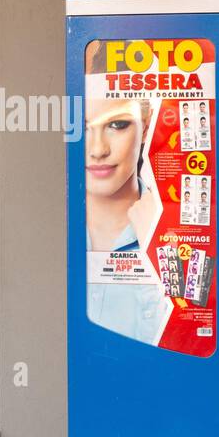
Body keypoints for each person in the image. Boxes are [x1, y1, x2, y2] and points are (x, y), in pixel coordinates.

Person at [84, 96, 170, 344]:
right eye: (82, 127)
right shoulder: (49, 233)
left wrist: (157, 246)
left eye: (117, 125)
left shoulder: (176, 229)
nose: (98, 149)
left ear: (146, 124)